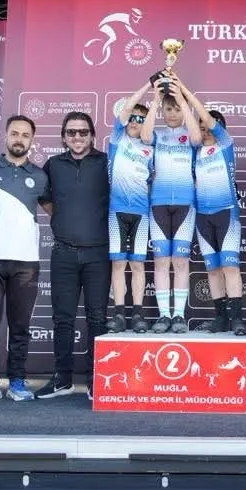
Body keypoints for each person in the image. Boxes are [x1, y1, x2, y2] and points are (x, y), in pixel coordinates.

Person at [0, 115, 48, 404]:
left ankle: (17, 381)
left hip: (25, 263)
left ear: (32, 140)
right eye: (15, 133)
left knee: (20, 327)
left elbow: (57, 212)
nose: (19, 139)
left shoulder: (40, 176)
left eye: (25, 135)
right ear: (5, 136)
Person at [36, 111, 110, 400]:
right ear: (63, 137)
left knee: (97, 318)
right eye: (71, 132)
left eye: (83, 132)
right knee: (63, 318)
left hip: (99, 253)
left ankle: (96, 379)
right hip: (63, 252)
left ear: (92, 135)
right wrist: (65, 219)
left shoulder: (106, 162)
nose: (77, 137)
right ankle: (62, 379)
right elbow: (45, 199)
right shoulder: (53, 165)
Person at [181, 84, 246, 335]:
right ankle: (221, 317)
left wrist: (188, 94)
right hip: (202, 217)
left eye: (210, 125)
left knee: (230, 267)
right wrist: (182, 101)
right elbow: (192, 127)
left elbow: (208, 121)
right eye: (201, 126)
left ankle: (238, 318)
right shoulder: (194, 152)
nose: (205, 129)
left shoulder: (225, 145)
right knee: (213, 269)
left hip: (226, 214)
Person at [141, 71, 202, 334]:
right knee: (161, 261)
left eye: (177, 109)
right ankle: (164, 315)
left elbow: (197, 138)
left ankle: (178, 315)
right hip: (158, 204)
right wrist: (156, 100)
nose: (173, 113)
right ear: (162, 112)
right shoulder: (157, 134)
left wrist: (182, 99)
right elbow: (144, 137)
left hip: (186, 204)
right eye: (169, 109)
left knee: (180, 262)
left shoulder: (190, 134)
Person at [104, 83, 154, 334]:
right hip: (117, 211)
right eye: (132, 118)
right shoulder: (117, 138)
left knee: (137, 265)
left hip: (141, 213)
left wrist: (156, 102)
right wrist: (149, 86)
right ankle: (118, 314)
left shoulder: (150, 147)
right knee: (118, 265)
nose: (135, 122)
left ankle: (137, 314)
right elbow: (125, 111)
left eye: (141, 119)